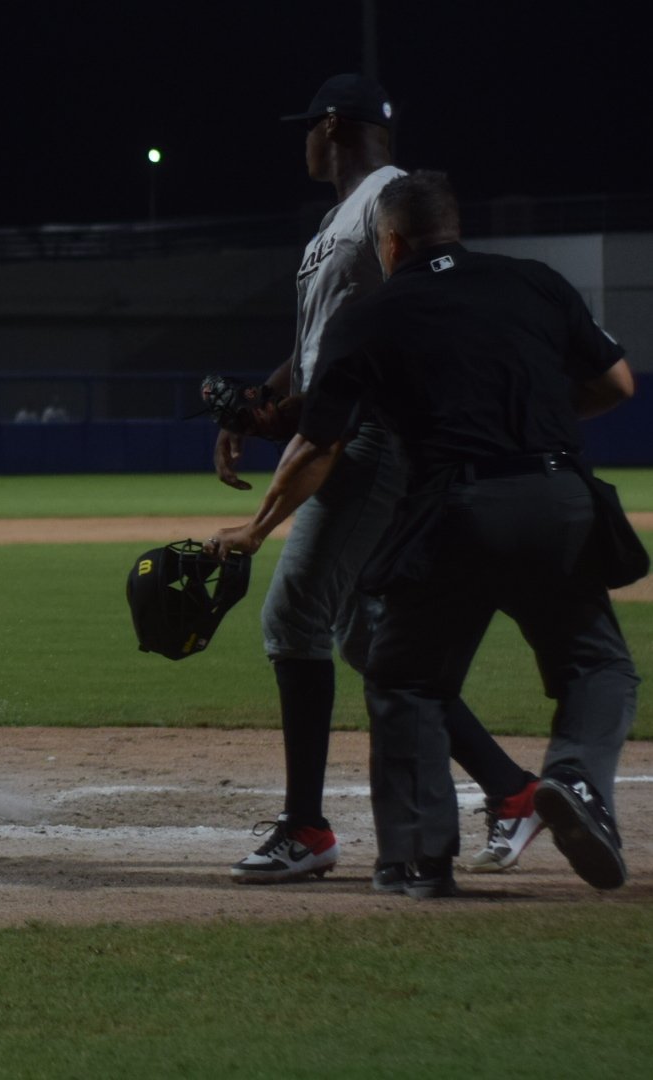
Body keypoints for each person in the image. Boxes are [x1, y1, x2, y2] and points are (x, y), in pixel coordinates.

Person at [207, 170, 638, 896]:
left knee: (406, 676)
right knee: (598, 666)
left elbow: (319, 444)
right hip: (561, 496)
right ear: (456, 226)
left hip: (457, 507)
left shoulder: (374, 315)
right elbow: (618, 384)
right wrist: (535, 417)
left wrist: (257, 528)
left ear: (391, 241)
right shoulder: (534, 281)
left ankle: (416, 859)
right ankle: (575, 782)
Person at [215, 74, 541, 884]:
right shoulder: (333, 224)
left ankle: (306, 829)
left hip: (374, 443)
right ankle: (513, 790)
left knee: (293, 619)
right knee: (367, 639)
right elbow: (322, 350)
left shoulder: (389, 201)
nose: (303, 143)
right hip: (348, 431)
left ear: (333, 127)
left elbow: (404, 328)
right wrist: (258, 407)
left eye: (308, 129)